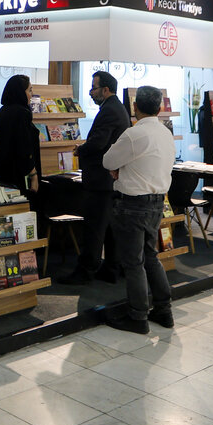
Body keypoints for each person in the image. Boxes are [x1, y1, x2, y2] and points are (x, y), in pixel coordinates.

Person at [100, 85, 175, 333]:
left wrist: (120, 169)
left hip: (132, 204)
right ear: (160, 108)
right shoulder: (165, 133)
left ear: (134, 106)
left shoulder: (134, 134)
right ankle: (164, 310)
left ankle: (138, 317)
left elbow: (108, 161)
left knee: (133, 262)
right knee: (151, 256)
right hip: (157, 202)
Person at [58, 71, 130, 285]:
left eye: (94, 88)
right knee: (109, 229)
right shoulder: (117, 108)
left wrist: (80, 150)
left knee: (94, 229)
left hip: (101, 180)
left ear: (105, 90)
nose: (91, 92)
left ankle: (86, 270)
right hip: (110, 180)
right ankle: (111, 268)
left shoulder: (109, 110)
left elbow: (99, 142)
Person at [0, 75, 41, 196]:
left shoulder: (2, 111)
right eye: (29, 90)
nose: (32, 94)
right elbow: (24, 146)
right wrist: (34, 175)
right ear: (20, 92)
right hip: (20, 175)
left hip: (3, 172)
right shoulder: (22, 113)